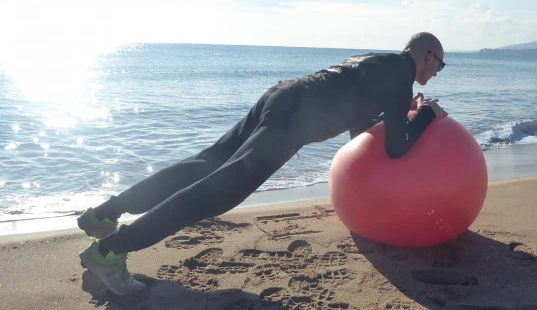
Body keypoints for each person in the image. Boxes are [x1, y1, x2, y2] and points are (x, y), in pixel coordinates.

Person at [78, 32, 447, 295]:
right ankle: (109, 252)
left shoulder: (378, 62)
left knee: (205, 164)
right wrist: (426, 115)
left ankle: (103, 216)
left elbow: (357, 129)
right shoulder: (400, 75)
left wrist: (404, 112)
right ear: (427, 55)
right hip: (293, 121)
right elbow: (397, 148)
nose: (435, 73)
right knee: (217, 192)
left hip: (283, 95)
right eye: (439, 65)